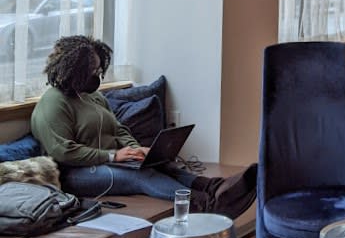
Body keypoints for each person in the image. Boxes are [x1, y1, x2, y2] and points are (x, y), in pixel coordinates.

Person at [30, 35, 256, 219]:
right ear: (75, 70)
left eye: (99, 69)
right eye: (92, 70)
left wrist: (135, 149)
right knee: (139, 175)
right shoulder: (53, 102)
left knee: (161, 164)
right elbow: (63, 151)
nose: (97, 75)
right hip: (75, 174)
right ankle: (206, 204)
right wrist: (112, 156)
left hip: (106, 162)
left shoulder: (93, 97)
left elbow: (118, 129)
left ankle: (213, 187)